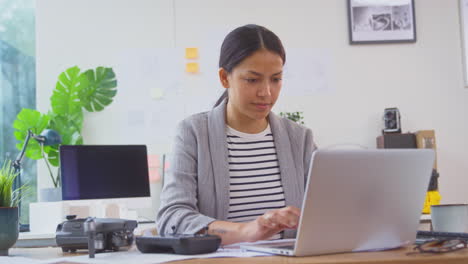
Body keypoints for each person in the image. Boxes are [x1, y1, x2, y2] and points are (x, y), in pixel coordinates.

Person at [156, 24, 317, 245]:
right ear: (224, 78)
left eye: (276, 79)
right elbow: (172, 218)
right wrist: (247, 231)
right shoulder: (193, 133)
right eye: (252, 80)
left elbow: (325, 211)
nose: (266, 92)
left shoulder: (300, 139)